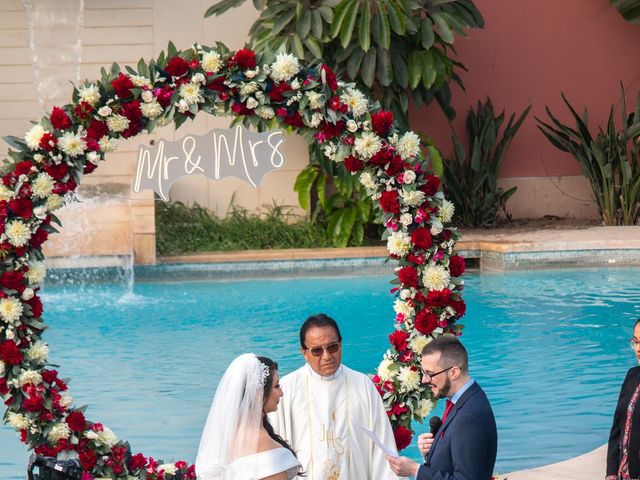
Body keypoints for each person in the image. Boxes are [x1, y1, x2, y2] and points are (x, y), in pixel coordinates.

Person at [268, 313, 401, 479]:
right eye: (317, 350)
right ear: (304, 352)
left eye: (332, 347)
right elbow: (275, 449)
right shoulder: (287, 388)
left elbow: (382, 446)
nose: (326, 356)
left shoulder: (363, 385)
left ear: (341, 344)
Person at [387, 335, 497, 480]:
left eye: (430, 374)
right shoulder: (469, 397)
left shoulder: (468, 419)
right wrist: (434, 449)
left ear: (454, 372)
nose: (425, 380)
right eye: (424, 373)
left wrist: (415, 470)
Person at [196, 353, 301, 480]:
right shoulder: (261, 440)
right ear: (258, 392)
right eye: (276, 386)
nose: (281, 393)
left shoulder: (225, 435)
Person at [606, 318, 640, 480]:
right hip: (624, 474)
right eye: (636, 342)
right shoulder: (632, 375)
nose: (638, 349)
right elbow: (617, 428)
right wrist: (611, 472)